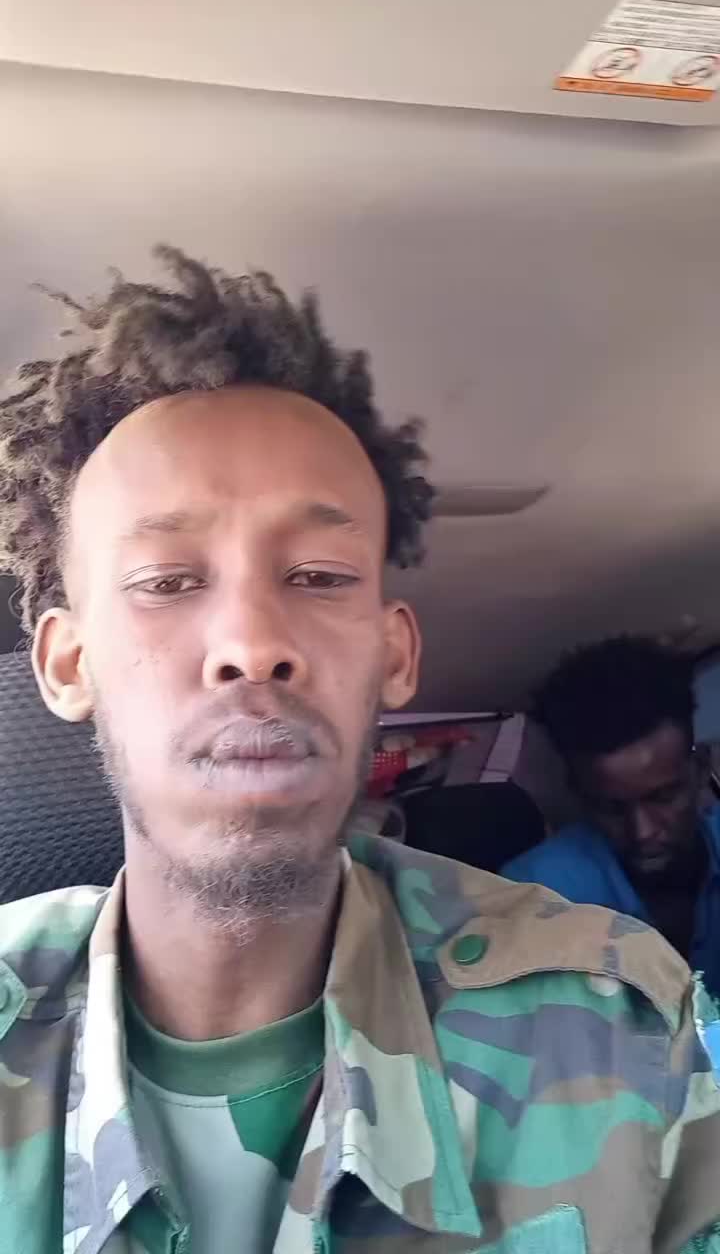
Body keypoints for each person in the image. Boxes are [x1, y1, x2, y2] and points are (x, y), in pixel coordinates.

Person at [0, 249, 719, 1254]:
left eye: (318, 574)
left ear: (395, 654)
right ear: (68, 663)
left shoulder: (622, 1030)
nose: (254, 642)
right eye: (166, 580)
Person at [503, 636, 720, 997]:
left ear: (699, 770)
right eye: (611, 808)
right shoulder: (537, 895)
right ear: (578, 792)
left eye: (663, 797)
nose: (642, 832)